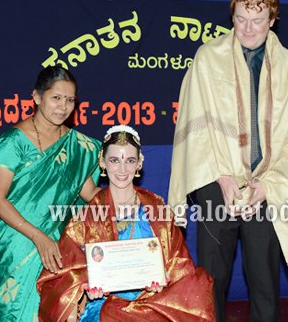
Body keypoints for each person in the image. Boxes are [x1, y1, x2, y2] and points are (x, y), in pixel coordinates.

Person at [168, 0, 288, 321]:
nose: (247, 28)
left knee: (264, 281)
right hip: (216, 182)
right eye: (240, 19)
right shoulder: (207, 57)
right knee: (212, 280)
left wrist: (267, 187)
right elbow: (193, 123)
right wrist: (222, 176)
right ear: (232, 15)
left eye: (257, 20)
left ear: (273, 19)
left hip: (267, 185)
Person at [37, 125, 215, 321]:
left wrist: (164, 277)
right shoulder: (86, 217)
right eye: (114, 160)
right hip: (105, 305)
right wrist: (85, 287)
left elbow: (180, 265)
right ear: (102, 162)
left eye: (130, 161)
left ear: (139, 163)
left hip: (153, 302)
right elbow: (60, 276)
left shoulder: (157, 209)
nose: (122, 169)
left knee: (199, 285)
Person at [0, 66, 102, 320]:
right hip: (13, 243)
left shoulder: (78, 146)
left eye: (69, 100)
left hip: (55, 245)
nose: (63, 107)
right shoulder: (15, 141)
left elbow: (90, 192)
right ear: (36, 97)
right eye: (56, 98)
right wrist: (38, 236)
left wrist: (136, 203)